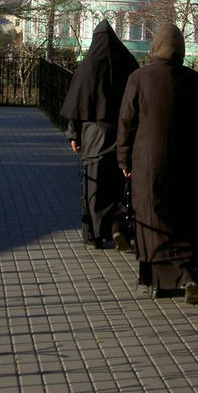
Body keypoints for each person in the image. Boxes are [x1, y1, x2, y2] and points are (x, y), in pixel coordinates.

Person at [117, 23, 198, 303]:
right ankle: (189, 276)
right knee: (185, 216)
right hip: (185, 162)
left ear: (154, 48)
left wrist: (123, 157)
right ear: (180, 50)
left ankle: (159, 280)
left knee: (152, 215)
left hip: (148, 163)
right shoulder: (193, 81)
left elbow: (127, 122)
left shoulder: (139, 78)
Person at [61, 19, 138, 250]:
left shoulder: (87, 67)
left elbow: (77, 101)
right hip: (121, 137)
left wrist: (73, 134)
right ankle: (116, 228)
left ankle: (94, 236)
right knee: (118, 187)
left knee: (93, 188)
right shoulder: (128, 64)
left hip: (93, 138)